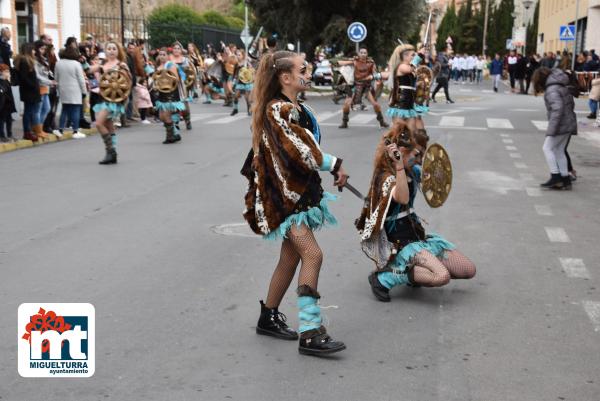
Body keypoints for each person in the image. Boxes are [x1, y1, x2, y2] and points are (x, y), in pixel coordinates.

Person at [241, 50, 349, 356]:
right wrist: (336, 163)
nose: (309, 72)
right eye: (303, 69)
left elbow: (306, 148)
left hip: (296, 192)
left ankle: (268, 316)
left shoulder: (294, 107)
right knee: (313, 255)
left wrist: (328, 167)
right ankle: (311, 331)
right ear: (286, 77)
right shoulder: (278, 109)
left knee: (290, 259)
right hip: (285, 199)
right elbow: (299, 149)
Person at [356, 124, 475, 301]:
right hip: (399, 243)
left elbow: (434, 182)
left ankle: (417, 271)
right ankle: (384, 278)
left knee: (468, 269)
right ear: (401, 152)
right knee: (442, 276)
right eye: (415, 154)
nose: (418, 159)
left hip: (417, 236)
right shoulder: (385, 177)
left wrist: (434, 170)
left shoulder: (412, 170)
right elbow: (402, 198)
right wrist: (399, 167)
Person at [532, 67, 577, 190]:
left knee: (547, 148)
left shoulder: (552, 89)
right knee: (559, 150)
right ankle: (565, 179)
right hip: (568, 122)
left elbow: (557, 109)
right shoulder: (560, 85)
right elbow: (570, 104)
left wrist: (552, 129)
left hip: (561, 124)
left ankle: (555, 177)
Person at [90, 41, 132, 164]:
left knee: (99, 123)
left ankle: (110, 151)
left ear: (118, 51)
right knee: (108, 124)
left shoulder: (121, 65)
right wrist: (81, 61)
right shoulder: (102, 64)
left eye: (114, 48)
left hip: (115, 99)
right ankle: (112, 153)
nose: (112, 50)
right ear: (105, 51)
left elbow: (127, 82)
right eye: (109, 48)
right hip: (104, 98)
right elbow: (88, 70)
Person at [337, 47, 389, 129]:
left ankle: (381, 121)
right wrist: (335, 62)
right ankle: (344, 122)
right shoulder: (355, 61)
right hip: (355, 85)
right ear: (358, 54)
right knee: (347, 104)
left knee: (375, 104)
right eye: (361, 52)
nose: (363, 54)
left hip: (366, 86)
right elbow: (341, 63)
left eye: (365, 52)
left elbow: (375, 73)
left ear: (367, 54)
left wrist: (375, 78)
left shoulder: (371, 63)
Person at [153, 48, 185, 144]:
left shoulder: (171, 65)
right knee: (161, 116)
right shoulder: (158, 66)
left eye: (164, 54)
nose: (162, 56)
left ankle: (170, 136)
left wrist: (165, 81)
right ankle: (175, 133)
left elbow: (175, 79)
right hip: (161, 93)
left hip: (170, 93)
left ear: (168, 56)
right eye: (160, 54)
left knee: (166, 115)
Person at [54, 46, 87, 139]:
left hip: (63, 90)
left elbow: (56, 78)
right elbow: (81, 79)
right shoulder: (76, 64)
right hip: (75, 90)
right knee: (76, 109)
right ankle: (75, 130)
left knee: (64, 109)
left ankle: (60, 129)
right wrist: (84, 91)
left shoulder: (58, 63)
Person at [14, 43, 41, 142]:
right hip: (29, 91)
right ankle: (27, 131)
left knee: (31, 111)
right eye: (33, 50)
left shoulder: (28, 61)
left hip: (30, 91)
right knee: (29, 111)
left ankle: (30, 130)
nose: (34, 52)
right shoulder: (25, 61)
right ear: (29, 50)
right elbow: (24, 77)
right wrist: (33, 85)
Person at [0, 64, 16, 142]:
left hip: (8, 103)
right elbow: (3, 91)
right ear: (1, 72)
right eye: (6, 71)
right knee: (2, 120)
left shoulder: (7, 80)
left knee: (9, 119)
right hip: (3, 104)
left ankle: (10, 134)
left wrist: (8, 80)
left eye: (8, 71)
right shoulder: (1, 81)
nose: (8, 73)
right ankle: (2, 135)